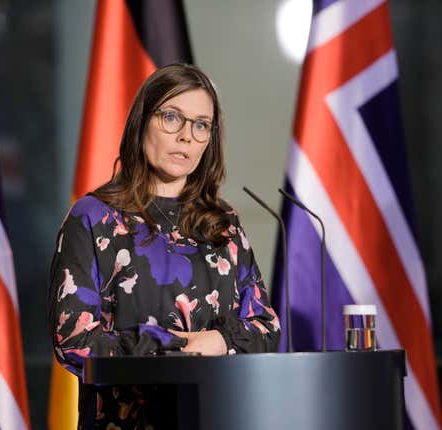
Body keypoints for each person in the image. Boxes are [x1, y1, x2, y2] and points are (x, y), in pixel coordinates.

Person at [48, 63, 280, 429]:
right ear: (142, 122)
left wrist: (219, 340)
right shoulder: (92, 218)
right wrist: (172, 347)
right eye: (172, 117)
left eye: (201, 124)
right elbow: (73, 341)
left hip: (216, 416)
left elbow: (265, 328)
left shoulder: (224, 223)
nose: (186, 136)